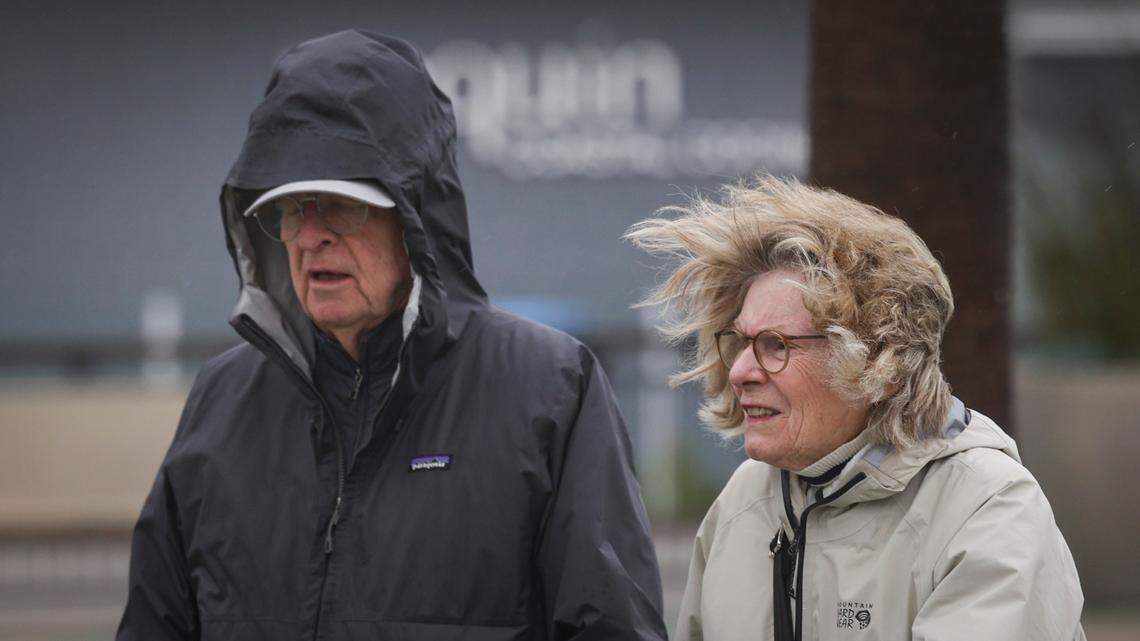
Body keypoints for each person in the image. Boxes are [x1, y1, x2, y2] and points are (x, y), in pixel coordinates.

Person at [118, 30, 667, 641]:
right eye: (293, 208)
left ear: (416, 219)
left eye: (342, 205)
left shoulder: (551, 391)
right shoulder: (221, 402)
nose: (311, 236)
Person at [626, 176, 1085, 641]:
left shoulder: (987, 508)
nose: (742, 370)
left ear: (874, 360)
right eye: (741, 342)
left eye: (775, 344)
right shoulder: (746, 502)